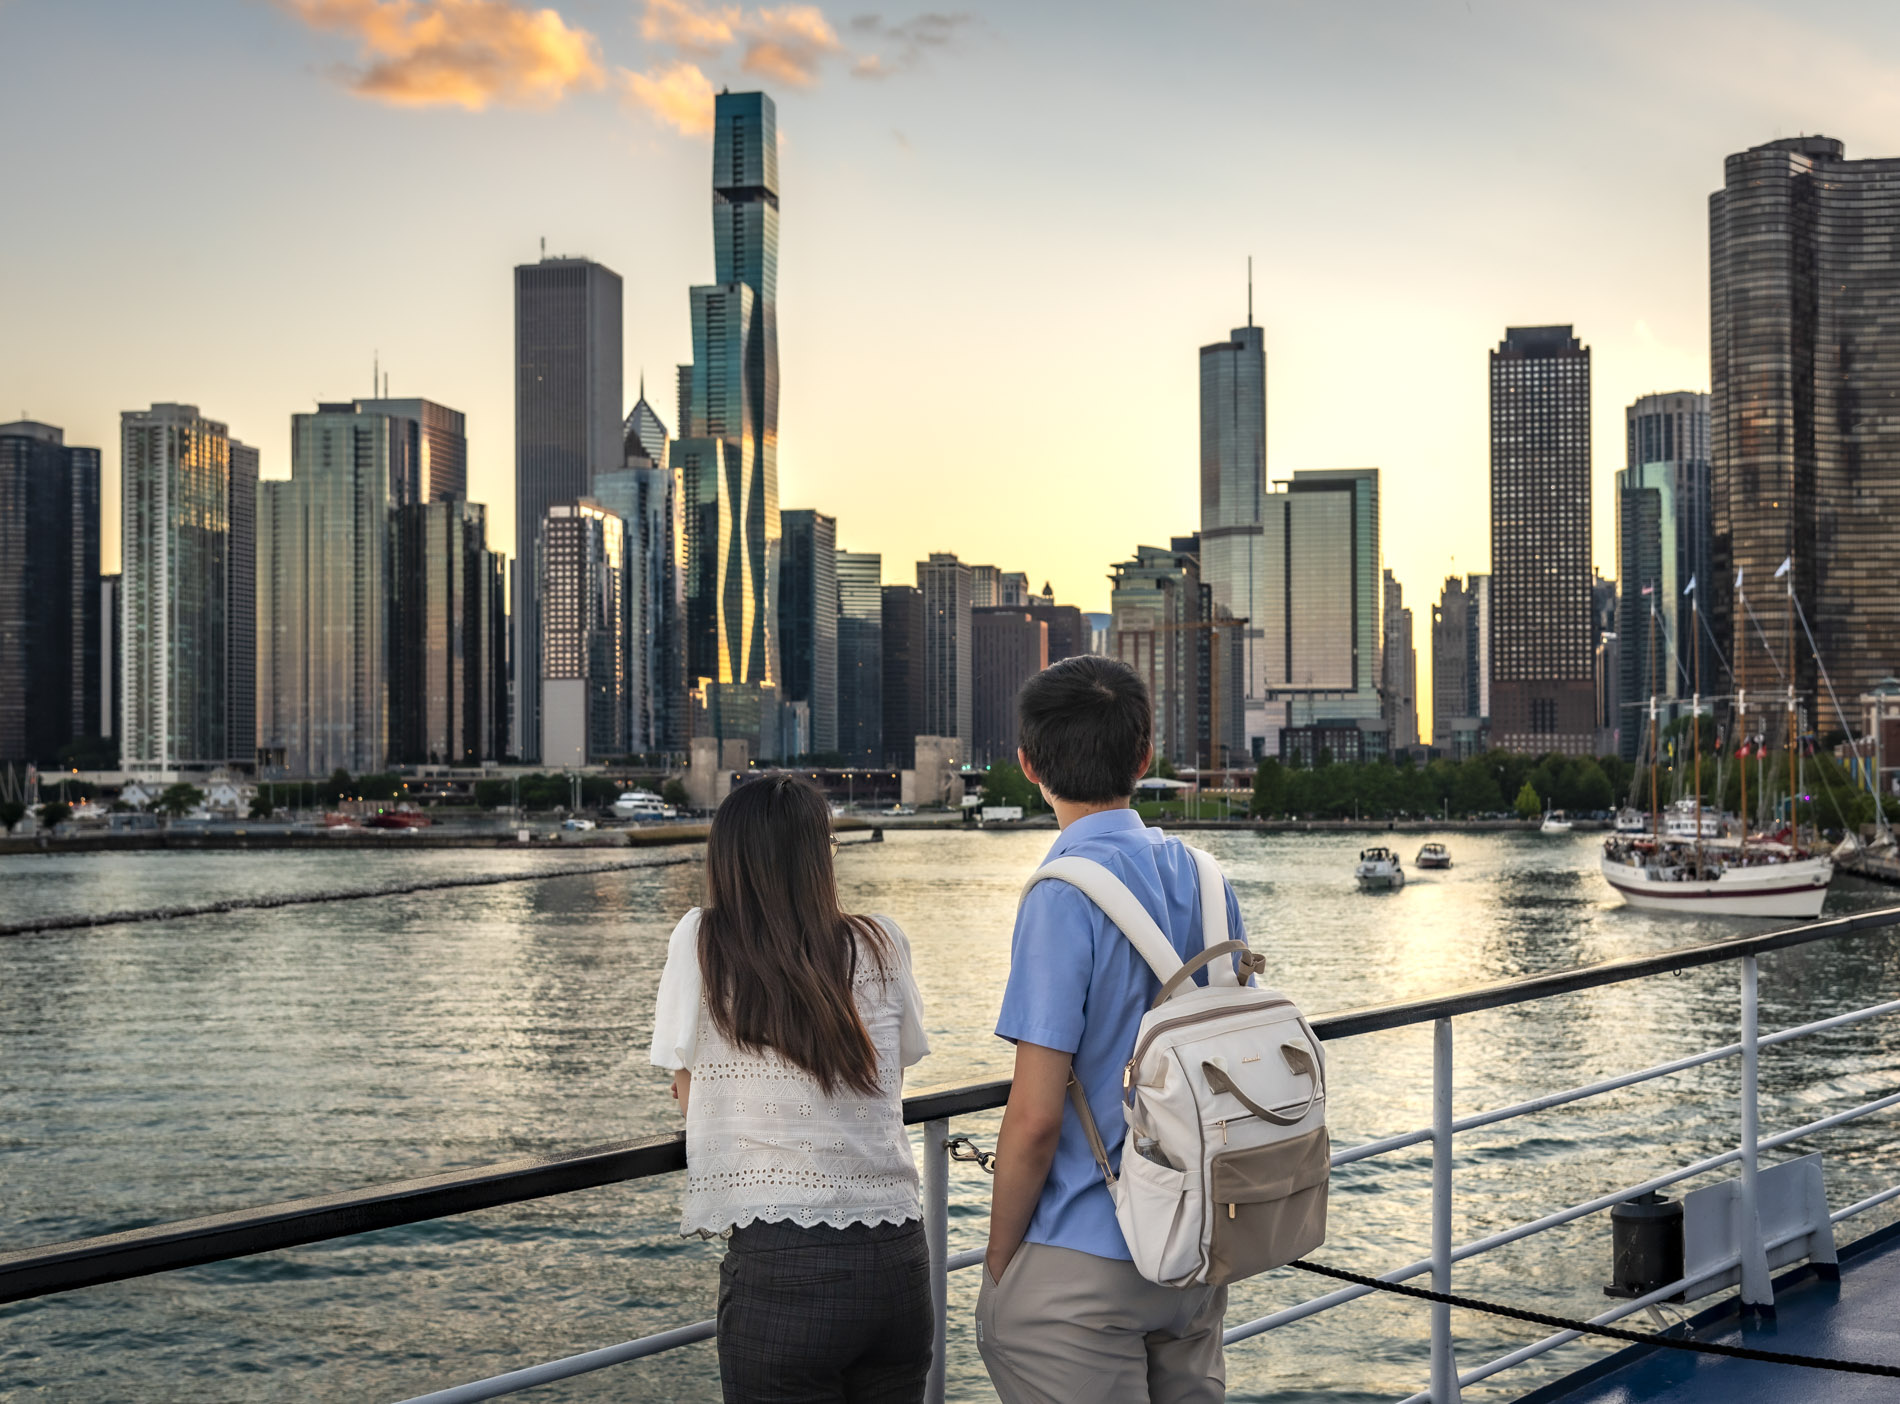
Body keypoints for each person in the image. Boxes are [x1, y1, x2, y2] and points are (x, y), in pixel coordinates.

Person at [978, 655, 1245, 1403]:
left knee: (1005, 1328)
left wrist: (999, 1265)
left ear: (1029, 765)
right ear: (1145, 755)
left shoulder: (1060, 895)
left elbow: (1035, 1118)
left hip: (1084, 1257)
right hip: (1196, 1243)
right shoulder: (1207, 878)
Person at [650, 772, 933, 1403]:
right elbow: (891, 1077)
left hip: (785, 1265)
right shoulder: (882, 941)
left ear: (728, 860)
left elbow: (686, 1086)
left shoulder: (701, 941)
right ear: (819, 856)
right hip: (898, 1259)